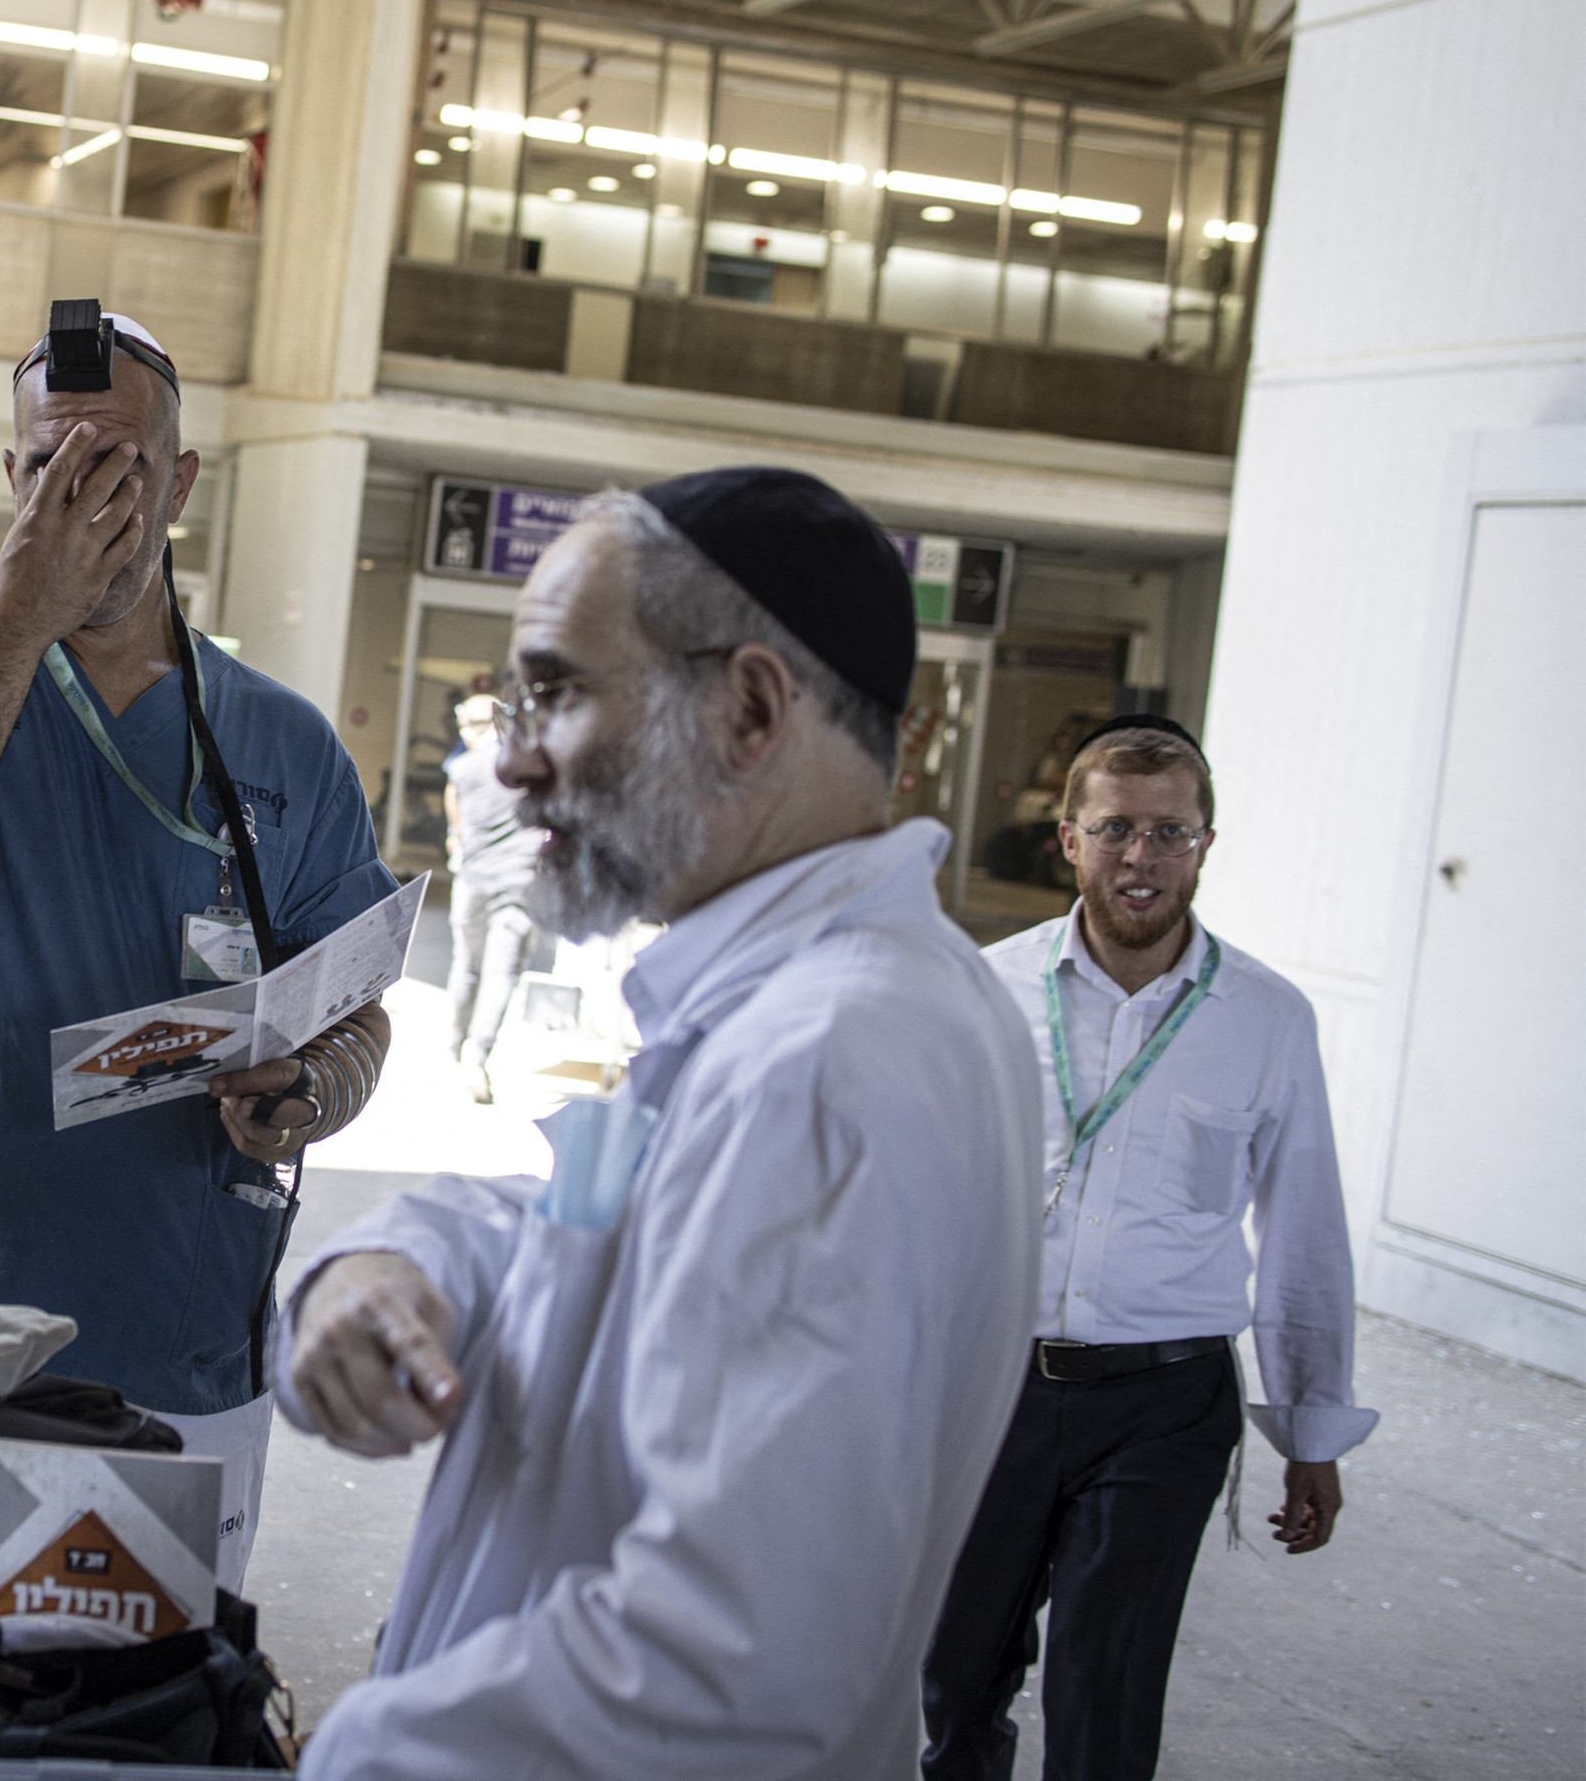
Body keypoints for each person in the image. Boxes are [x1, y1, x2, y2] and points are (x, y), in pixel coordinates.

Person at [276, 467, 1041, 1780]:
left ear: (746, 708)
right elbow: (603, 1228)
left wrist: (362, 1755)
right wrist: (397, 1264)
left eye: (559, 692)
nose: (514, 759)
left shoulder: (824, 1058)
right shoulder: (799, 1004)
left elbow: (728, 1663)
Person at [0, 306, 395, 1592]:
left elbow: (356, 1006)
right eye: (53, 465)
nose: (85, 495)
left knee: (125, 1709)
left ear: (178, 483)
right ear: (13, 481)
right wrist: (18, 619)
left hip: (167, 1335)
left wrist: (310, 1094)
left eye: (118, 464)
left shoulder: (278, 745)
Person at [923, 715, 1377, 1781]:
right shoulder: (985, 991)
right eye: (1117, 829)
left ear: (1206, 845)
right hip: (992, 1390)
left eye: (1171, 833)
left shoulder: (1267, 1019)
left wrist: (1311, 1429)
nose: (1143, 858)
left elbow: (1304, 1226)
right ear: (1069, 840)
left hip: (1164, 1400)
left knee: (1107, 1679)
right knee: (957, 1674)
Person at [440, 692, 548, 1102]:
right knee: (501, 974)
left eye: (465, 725)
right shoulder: (529, 764)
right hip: (520, 882)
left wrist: (456, 836)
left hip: (473, 880)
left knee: (467, 966)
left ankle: (454, 1043)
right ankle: (477, 1055)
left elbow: (454, 805)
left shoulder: (464, 769)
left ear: (477, 725)